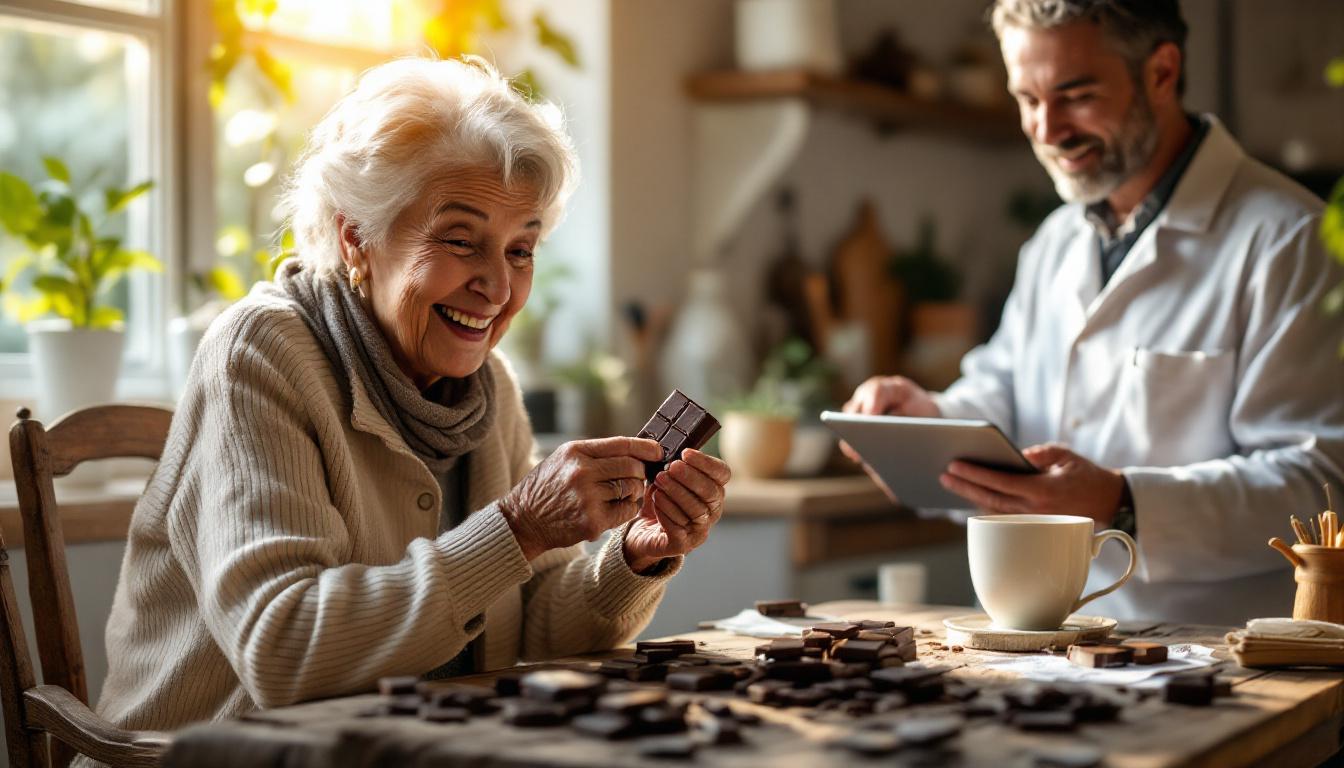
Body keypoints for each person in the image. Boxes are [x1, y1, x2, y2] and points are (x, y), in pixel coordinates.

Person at [94, 57, 731, 737]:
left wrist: (634, 555)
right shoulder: (261, 352)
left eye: (521, 250)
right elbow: (282, 650)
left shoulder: (489, 389)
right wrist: (517, 526)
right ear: (355, 238)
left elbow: (542, 627)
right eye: (461, 240)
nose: (496, 286)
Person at [844, 0, 1344, 625]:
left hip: (1214, 657)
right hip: (1038, 644)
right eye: (1027, 99)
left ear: (1161, 73)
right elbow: (1004, 393)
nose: (1047, 129)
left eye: (1075, 95)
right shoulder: (1055, 242)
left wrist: (1124, 501)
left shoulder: (1290, 239)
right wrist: (928, 419)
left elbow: (1321, 486)